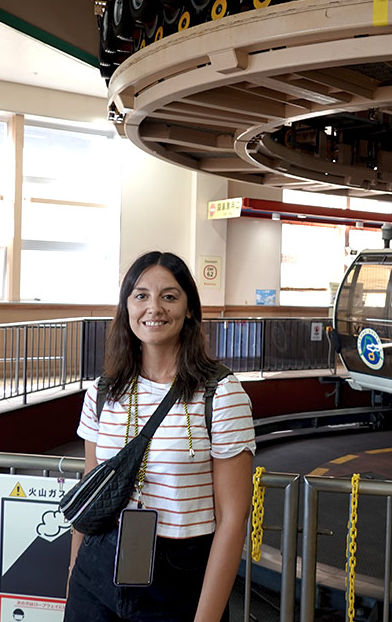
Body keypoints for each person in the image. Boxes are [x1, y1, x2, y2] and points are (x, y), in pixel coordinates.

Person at [65, 251, 255, 622]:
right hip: (97, 568)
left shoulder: (221, 394)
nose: (154, 307)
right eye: (141, 296)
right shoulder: (104, 393)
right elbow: (91, 496)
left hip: (178, 575)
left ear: (189, 310)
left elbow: (233, 518)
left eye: (169, 296)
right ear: (127, 308)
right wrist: (74, 573)